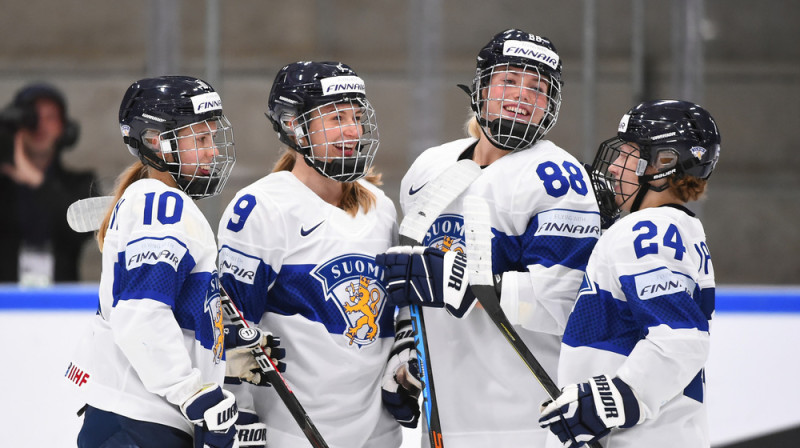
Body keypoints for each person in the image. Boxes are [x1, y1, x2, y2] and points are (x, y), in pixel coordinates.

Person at [375, 29, 601, 446]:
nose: (522, 95)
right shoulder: (430, 168)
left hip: (524, 419)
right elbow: (412, 279)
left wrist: (461, 283)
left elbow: (569, 304)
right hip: (443, 416)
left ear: (551, 104)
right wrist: (408, 344)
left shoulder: (559, 180)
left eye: (538, 87)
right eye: (509, 80)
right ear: (481, 88)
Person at [216, 61, 402, 447]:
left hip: (379, 435)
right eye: (336, 117)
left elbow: (391, 318)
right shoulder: (261, 207)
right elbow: (231, 330)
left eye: (356, 116)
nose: (352, 130)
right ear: (293, 125)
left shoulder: (381, 209)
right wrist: (240, 414)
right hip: (294, 432)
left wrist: (403, 364)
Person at [69, 75, 247, 448]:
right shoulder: (159, 202)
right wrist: (191, 392)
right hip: (137, 421)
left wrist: (224, 353)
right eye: (199, 139)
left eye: (211, 137)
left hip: (143, 418)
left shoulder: (156, 202)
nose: (213, 151)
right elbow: (141, 313)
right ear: (154, 141)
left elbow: (172, 316)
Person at [538, 100, 720, 448]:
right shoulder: (675, 229)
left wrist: (618, 399)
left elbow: (681, 339)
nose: (615, 167)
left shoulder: (646, 229)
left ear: (664, 164)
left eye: (627, 155)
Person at [0, 82, 98, 285]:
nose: (40, 125)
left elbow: (80, 230)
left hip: (59, 308)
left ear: (65, 128)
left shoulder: (81, 184)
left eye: (50, 117)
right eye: (32, 117)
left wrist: (36, 181)